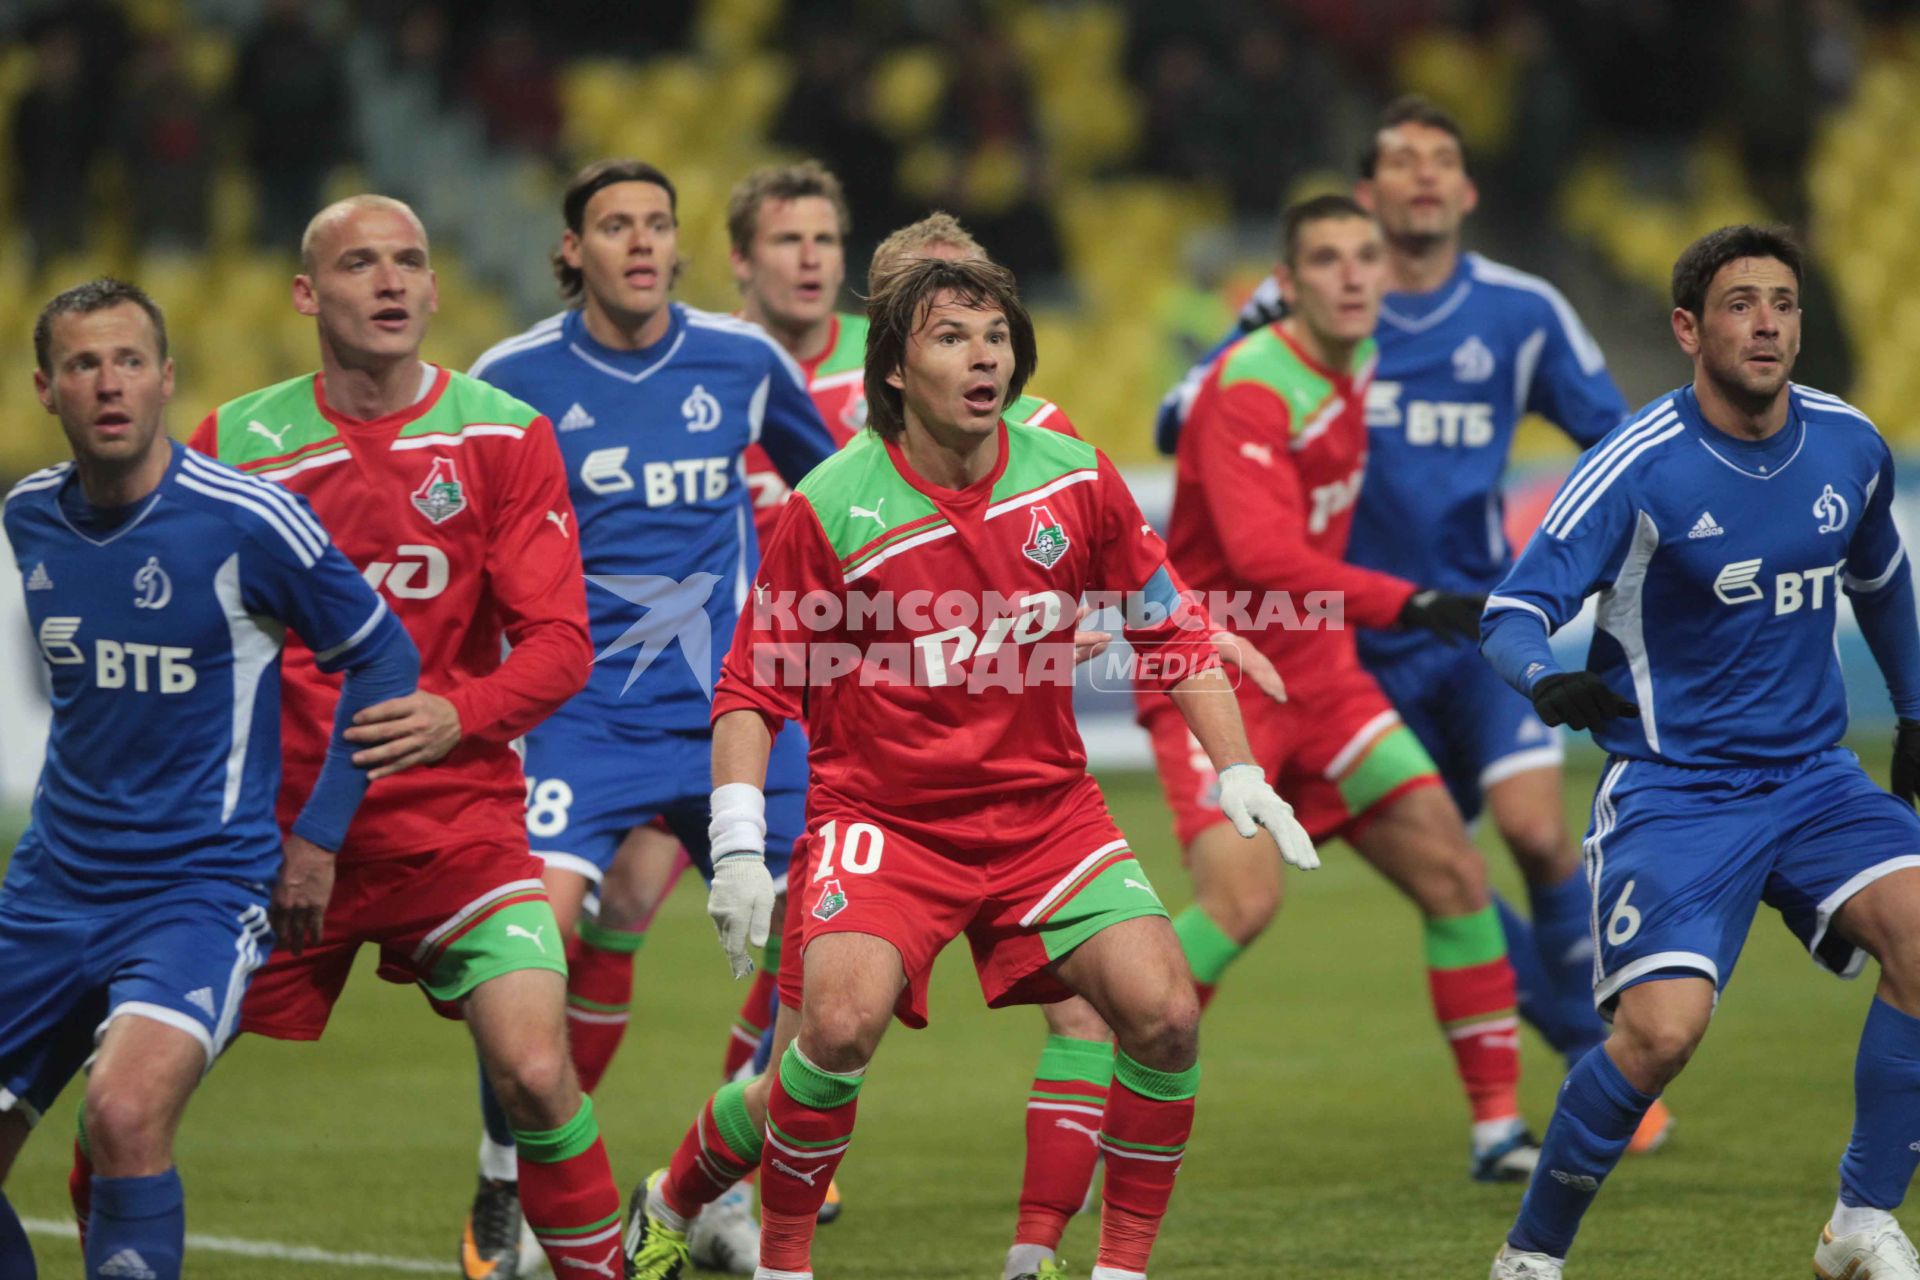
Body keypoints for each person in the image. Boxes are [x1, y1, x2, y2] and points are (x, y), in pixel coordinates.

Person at [651, 252, 1316, 1280]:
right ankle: (732, 1233)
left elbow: (1168, 623)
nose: (983, 357)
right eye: (952, 337)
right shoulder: (831, 505)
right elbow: (751, 687)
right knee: (832, 1030)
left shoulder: (1073, 473)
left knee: (1167, 1012)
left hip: (1045, 811)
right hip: (886, 818)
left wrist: (1237, 770)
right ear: (894, 370)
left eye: (996, 335)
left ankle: (1105, 1266)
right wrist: (739, 846)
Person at [1152, 98, 1645, 1124]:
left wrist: (1583, 572)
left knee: (1534, 836)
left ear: (1467, 190)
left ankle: (1587, 1069)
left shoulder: (1519, 310)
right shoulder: (1294, 331)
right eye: (1401, 162)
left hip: (1469, 624)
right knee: (1392, 870)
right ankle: (1124, 1015)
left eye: (1443, 160)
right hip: (1347, 641)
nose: (1424, 178)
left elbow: (1619, 447)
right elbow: (1179, 422)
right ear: (1366, 198)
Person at [174, 195, 625, 1277]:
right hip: (279, 847)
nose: (389, 280)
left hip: (457, 830)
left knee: (533, 1063)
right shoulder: (235, 445)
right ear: (305, 294)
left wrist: (454, 713)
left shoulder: (500, 436)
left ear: (433, 289)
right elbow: (192, 657)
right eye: (359, 262)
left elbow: (562, 644)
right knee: (130, 1094)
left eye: (409, 261)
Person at [1484, 226, 1920, 1280]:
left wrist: (1913, 712)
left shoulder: (1849, 441)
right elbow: (1510, 609)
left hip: (1815, 776)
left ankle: (1860, 1221)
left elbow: (1884, 577)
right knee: (1662, 1034)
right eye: (1739, 303)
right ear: (1688, 328)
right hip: (1677, 792)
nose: (1766, 323)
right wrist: (1548, 680)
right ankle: (1530, 1256)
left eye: (1782, 301)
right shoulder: (1638, 466)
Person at [464, 159, 836, 1277]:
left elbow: (849, 491)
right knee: (532, 944)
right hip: (580, 721)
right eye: (614, 225)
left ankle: (715, 1190)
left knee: (836, 939)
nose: (640, 241)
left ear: (679, 246)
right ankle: (505, 1171)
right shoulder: (512, 376)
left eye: (657, 223)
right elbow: (467, 554)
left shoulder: (742, 360)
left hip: (736, 714)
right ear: (571, 248)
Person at [1, 278, 415, 1280]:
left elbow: (384, 658)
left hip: (196, 889)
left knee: (123, 1109)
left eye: (131, 360)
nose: (110, 383)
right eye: (85, 364)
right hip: (51, 886)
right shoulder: (29, 517)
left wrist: (317, 835)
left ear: (167, 379)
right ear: (46, 388)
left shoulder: (248, 519)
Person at [1156, 193, 1543, 1184]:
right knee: (1241, 904)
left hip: (1322, 674)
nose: (1354, 274)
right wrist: (1411, 600)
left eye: (1365, 255)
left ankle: (1499, 1131)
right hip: (1219, 675)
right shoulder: (1250, 385)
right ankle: (1105, 1071)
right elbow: (1261, 555)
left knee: (1456, 874)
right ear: (1288, 280)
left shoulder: (1359, 359)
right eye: (1327, 258)